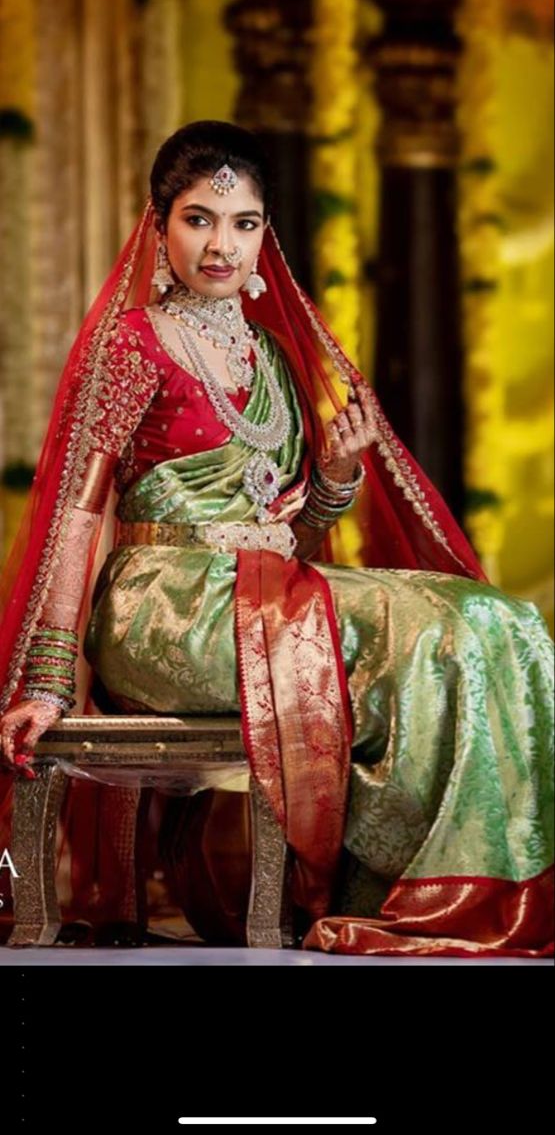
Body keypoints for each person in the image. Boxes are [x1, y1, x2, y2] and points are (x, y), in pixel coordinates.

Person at [0, 121, 552, 957]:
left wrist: (333, 475)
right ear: (157, 226)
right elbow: (80, 513)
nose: (221, 244)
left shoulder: (267, 358)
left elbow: (293, 534)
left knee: (494, 621)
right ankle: (423, 886)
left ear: (267, 235)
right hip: (163, 605)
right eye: (198, 218)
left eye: (244, 222)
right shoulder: (133, 342)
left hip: (259, 593)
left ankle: (446, 884)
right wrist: (47, 678)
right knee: (436, 624)